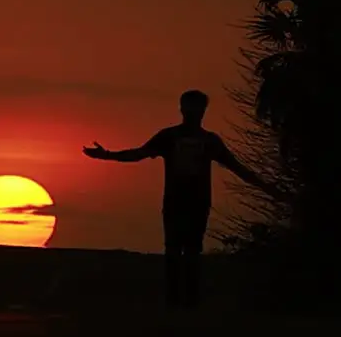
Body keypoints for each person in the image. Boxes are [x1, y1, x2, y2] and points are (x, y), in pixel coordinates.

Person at [82, 89, 275, 308]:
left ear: (202, 110)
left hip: (197, 202)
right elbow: (138, 154)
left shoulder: (209, 141)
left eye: (197, 108)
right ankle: (175, 303)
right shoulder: (170, 137)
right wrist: (107, 155)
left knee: (191, 250)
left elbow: (237, 168)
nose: (193, 112)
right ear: (182, 109)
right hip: (176, 201)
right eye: (190, 107)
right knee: (175, 250)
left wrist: (268, 187)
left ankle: (188, 304)